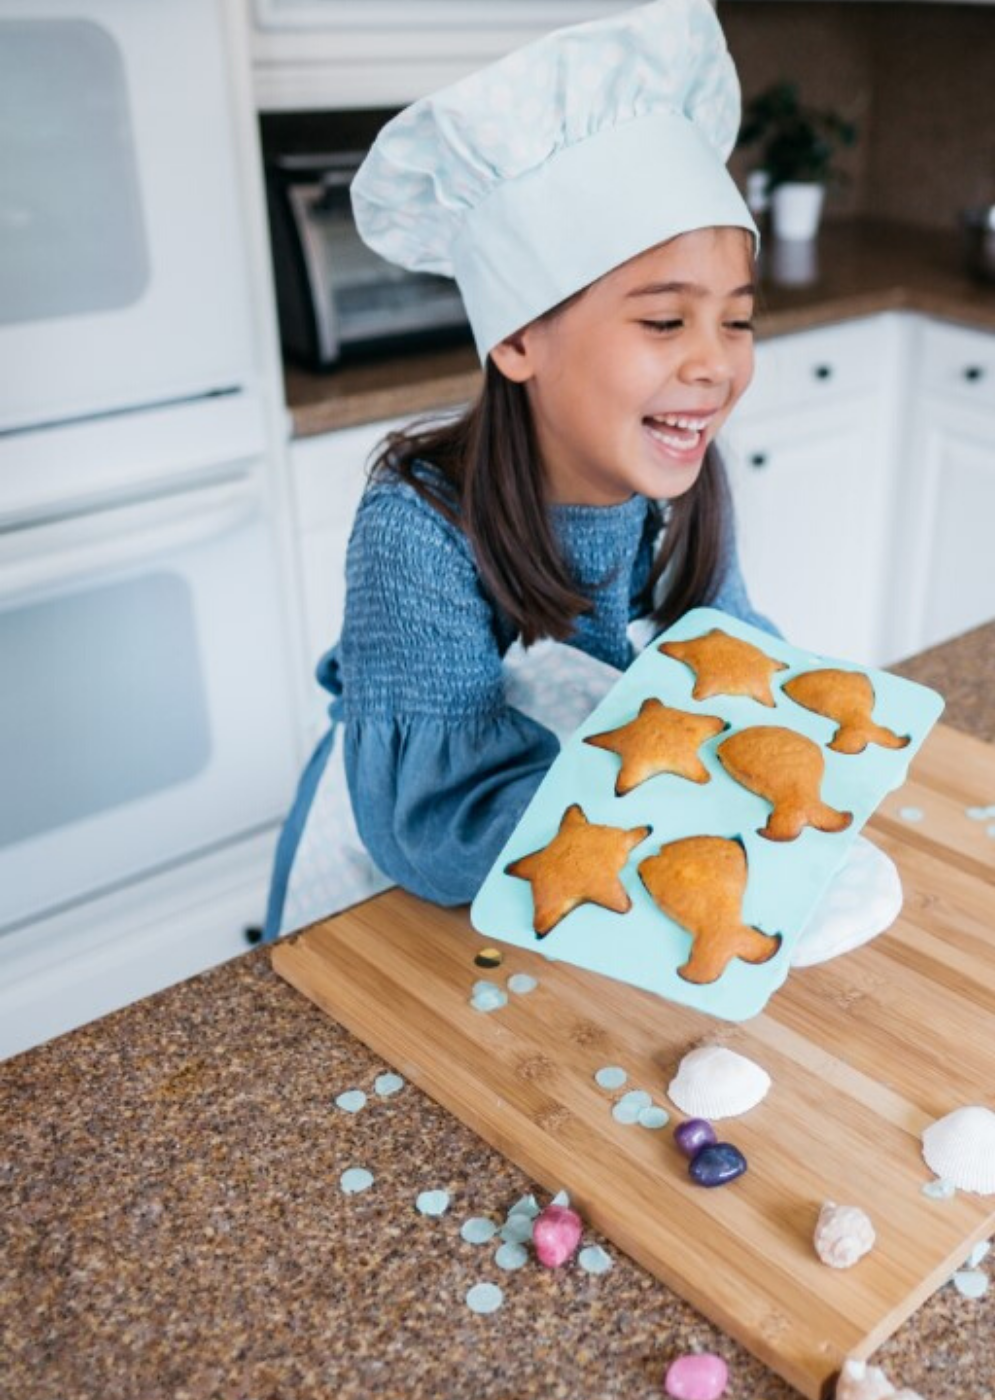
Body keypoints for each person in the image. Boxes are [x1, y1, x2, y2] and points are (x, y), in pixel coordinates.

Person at [262, 0, 774, 939]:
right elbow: (435, 821)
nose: (715, 362)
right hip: (428, 882)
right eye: (665, 320)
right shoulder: (418, 526)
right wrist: (678, 830)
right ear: (518, 339)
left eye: (736, 319)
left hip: (609, 862)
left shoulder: (682, 469)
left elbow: (729, 666)